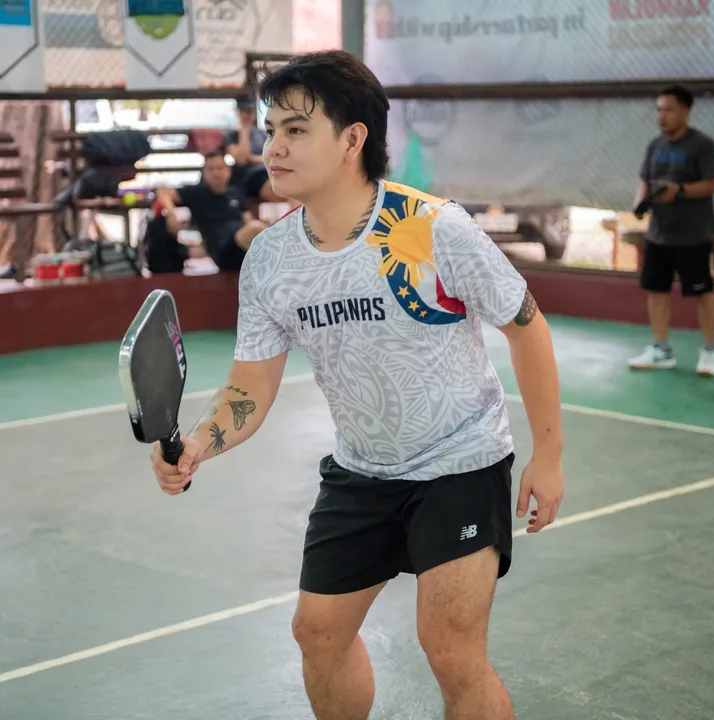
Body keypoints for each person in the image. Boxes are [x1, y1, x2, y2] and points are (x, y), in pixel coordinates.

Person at [151, 50, 564, 720]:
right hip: (362, 470)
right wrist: (200, 442)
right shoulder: (271, 259)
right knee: (317, 633)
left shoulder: (432, 227)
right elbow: (250, 385)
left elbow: (527, 326)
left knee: (450, 650)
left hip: (460, 462)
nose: (273, 147)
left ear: (352, 140)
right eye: (271, 130)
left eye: (295, 130)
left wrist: (548, 455)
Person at [628, 84, 714, 376]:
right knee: (657, 293)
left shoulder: (702, 145)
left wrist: (679, 190)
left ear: (686, 112)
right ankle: (661, 350)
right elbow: (645, 181)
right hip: (659, 235)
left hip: (693, 235)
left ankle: (710, 352)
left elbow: (711, 184)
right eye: (658, 110)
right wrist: (639, 203)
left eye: (668, 110)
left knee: (704, 293)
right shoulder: (655, 146)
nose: (661, 116)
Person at [153, 151, 280, 272]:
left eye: (219, 168)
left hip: (243, 245)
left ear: (228, 171)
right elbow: (163, 192)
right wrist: (171, 214)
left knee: (266, 229)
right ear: (204, 173)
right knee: (256, 229)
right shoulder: (196, 193)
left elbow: (247, 219)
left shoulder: (235, 193)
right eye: (211, 169)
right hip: (222, 250)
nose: (216, 173)